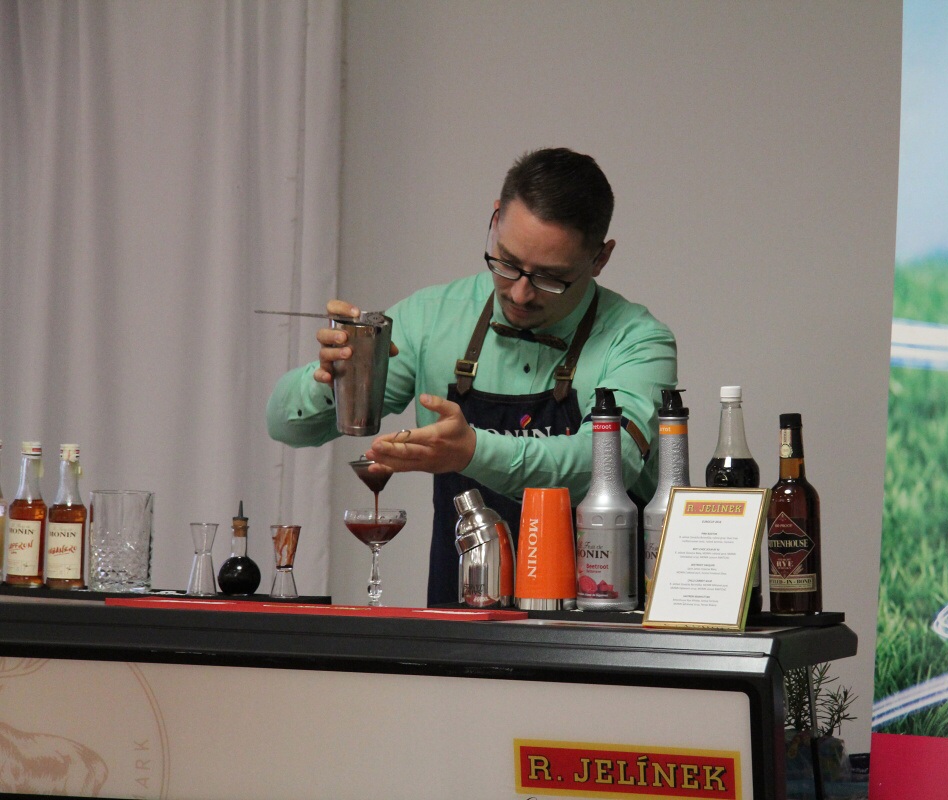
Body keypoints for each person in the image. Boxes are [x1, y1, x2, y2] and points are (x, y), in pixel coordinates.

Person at [267, 147, 678, 606]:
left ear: (600, 258)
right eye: (506, 262)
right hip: (463, 616)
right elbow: (285, 426)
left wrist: (473, 451)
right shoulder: (432, 318)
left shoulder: (639, 342)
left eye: (550, 278)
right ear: (496, 218)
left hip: (598, 621)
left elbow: (609, 465)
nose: (519, 293)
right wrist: (334, 379)